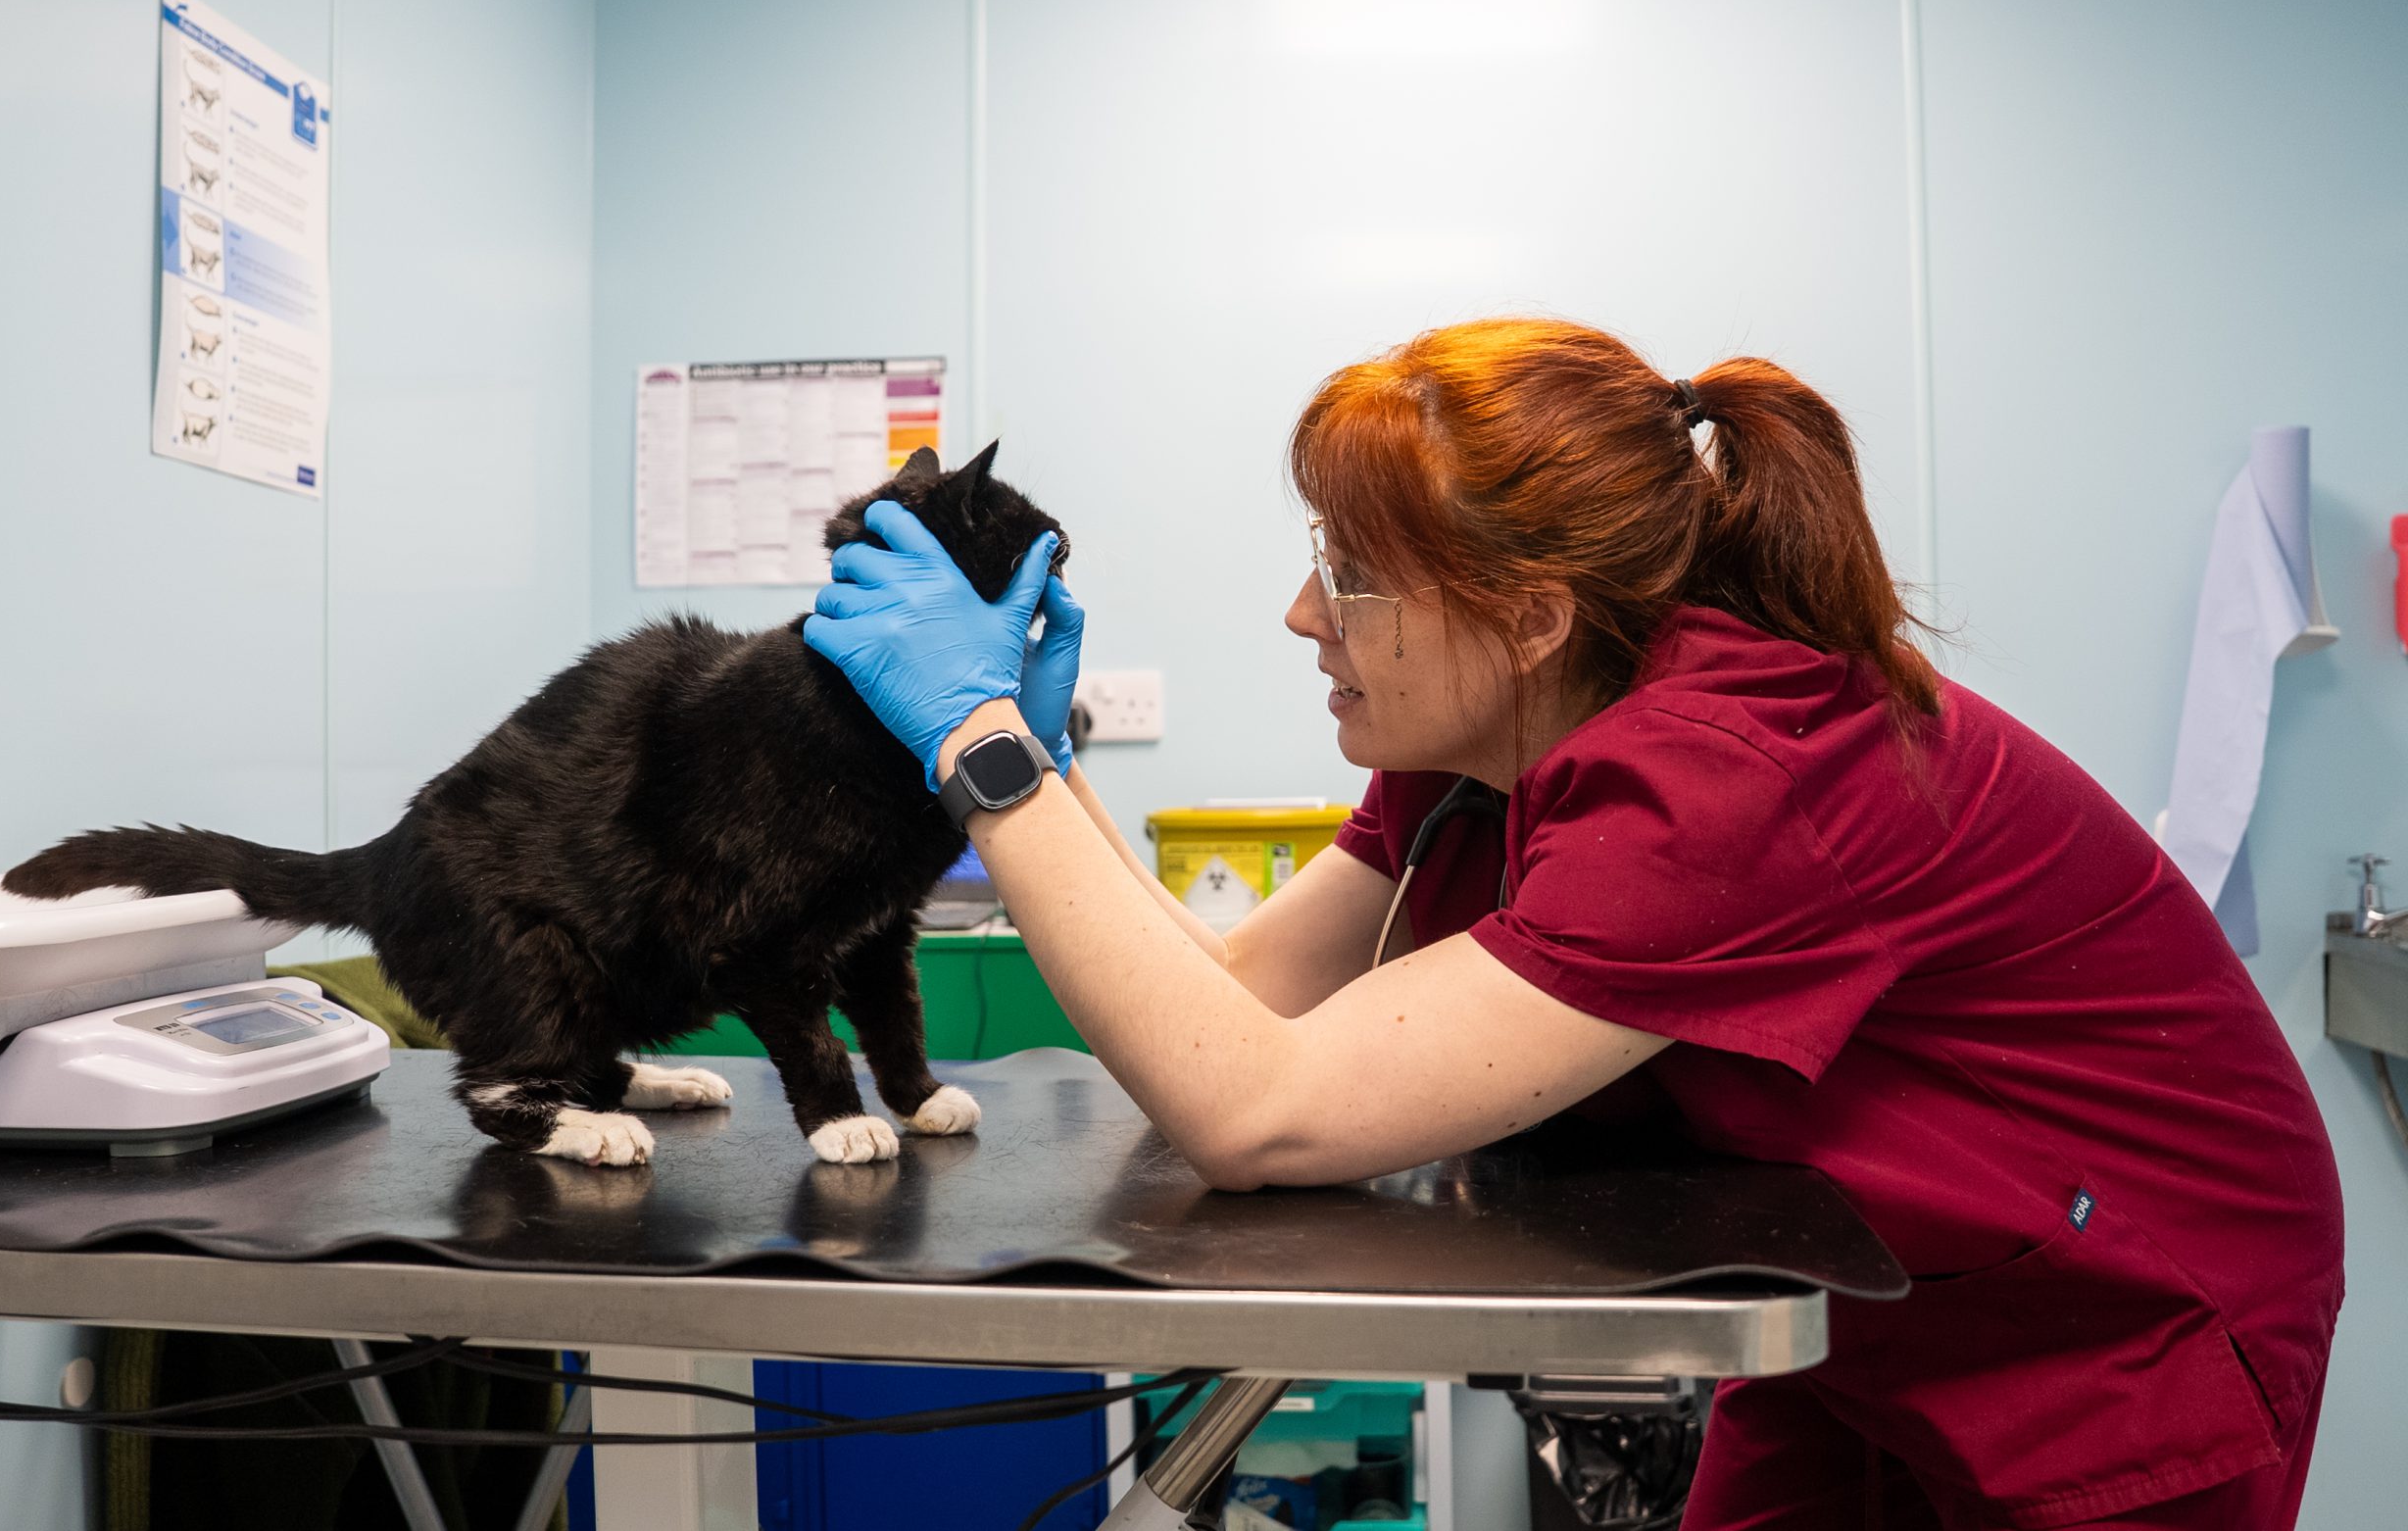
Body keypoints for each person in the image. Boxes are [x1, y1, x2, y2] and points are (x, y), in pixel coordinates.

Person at [803, 318, 2343, 1530]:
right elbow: (1228, 1000)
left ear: (1529, 613)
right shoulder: (1490, 742)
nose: (1299, 614)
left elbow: (1251, 1110)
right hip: (1866, 1310)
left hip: (2120, 1318)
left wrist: (982, 754)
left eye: (1348, 570)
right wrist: (1045, 769)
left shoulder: (1724, 779)